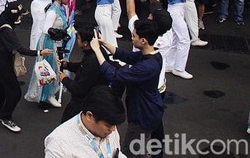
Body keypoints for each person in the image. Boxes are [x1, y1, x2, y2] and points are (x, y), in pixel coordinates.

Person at [91, 19, 164, 157]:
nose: (131, 38)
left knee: (128, 152)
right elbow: (126, 56)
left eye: (134, 36)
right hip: (149, 110)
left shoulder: (147, 66)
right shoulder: (152, 54)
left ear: (143, 41)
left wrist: (96, 50)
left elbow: (113, 75)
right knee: (140, 149)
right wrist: (104, 43)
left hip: (143, 114)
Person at [0, 2, 53, 133]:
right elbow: (21, 49)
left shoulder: (2, 19)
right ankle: (5, 117)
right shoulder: (8, 31)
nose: (21, 18)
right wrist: (40, 52)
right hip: (2, 60)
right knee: (14, 92)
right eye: (20, 15)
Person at [44, 86, 126, 158]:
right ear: (89, 116)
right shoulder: (59, 143)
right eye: (108, 126)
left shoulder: (109, 126)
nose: (113, 130)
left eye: (114, 126)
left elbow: (117, 153)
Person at [25, 0, 69, 108]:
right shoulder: (52, 11)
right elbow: (45, 28)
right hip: (49, 42)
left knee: (56, 67)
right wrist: (58, 33)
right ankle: (45, 96)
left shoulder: (60, 7)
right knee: (47, 69)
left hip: (57, 41)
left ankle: (51, 92)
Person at [58, 26, 108, 123]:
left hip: (84, 103)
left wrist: (65, 80)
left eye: (78, 39)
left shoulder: (92, 61)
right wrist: (68, 65)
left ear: (85, 43)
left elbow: (80, 88)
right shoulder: (96, 52)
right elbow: (82, 67)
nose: (77, 41)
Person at [165, 0, 202, 80]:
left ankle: (169, 64)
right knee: (185, 39)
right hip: (175, 9)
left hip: (177, 8)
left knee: (176, 38)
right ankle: (179, 68)